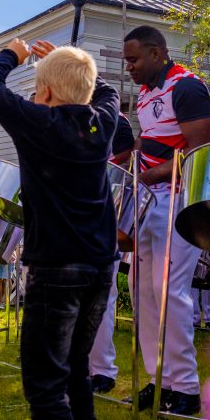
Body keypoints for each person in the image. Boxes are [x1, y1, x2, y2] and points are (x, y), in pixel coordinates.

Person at [0, 38, 118, 420]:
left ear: (49, 94)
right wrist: (66, 62)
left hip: (56, 269)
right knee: (75, 368)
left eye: (38, 90)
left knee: (43, 382)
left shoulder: (40, 123)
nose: (33, 98)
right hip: (99, 266)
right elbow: (107, 92)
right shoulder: (105, 120)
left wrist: (14, 54)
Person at [122, 25, 210, 416]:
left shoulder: (186, 87)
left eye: (134, 59)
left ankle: (187, 389)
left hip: (178, 201)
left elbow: (200, 152)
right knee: (140, 288)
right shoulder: (145, 94)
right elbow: (155, 143)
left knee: (170, 293)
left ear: (157, 53)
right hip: (147, 200)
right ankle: (159, 380)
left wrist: (155, 173)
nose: (129, 67)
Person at [89, 113, 136, 394]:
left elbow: (127, 160)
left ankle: (102, 371)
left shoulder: (115, 119)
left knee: (101, 298)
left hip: (103, 211)